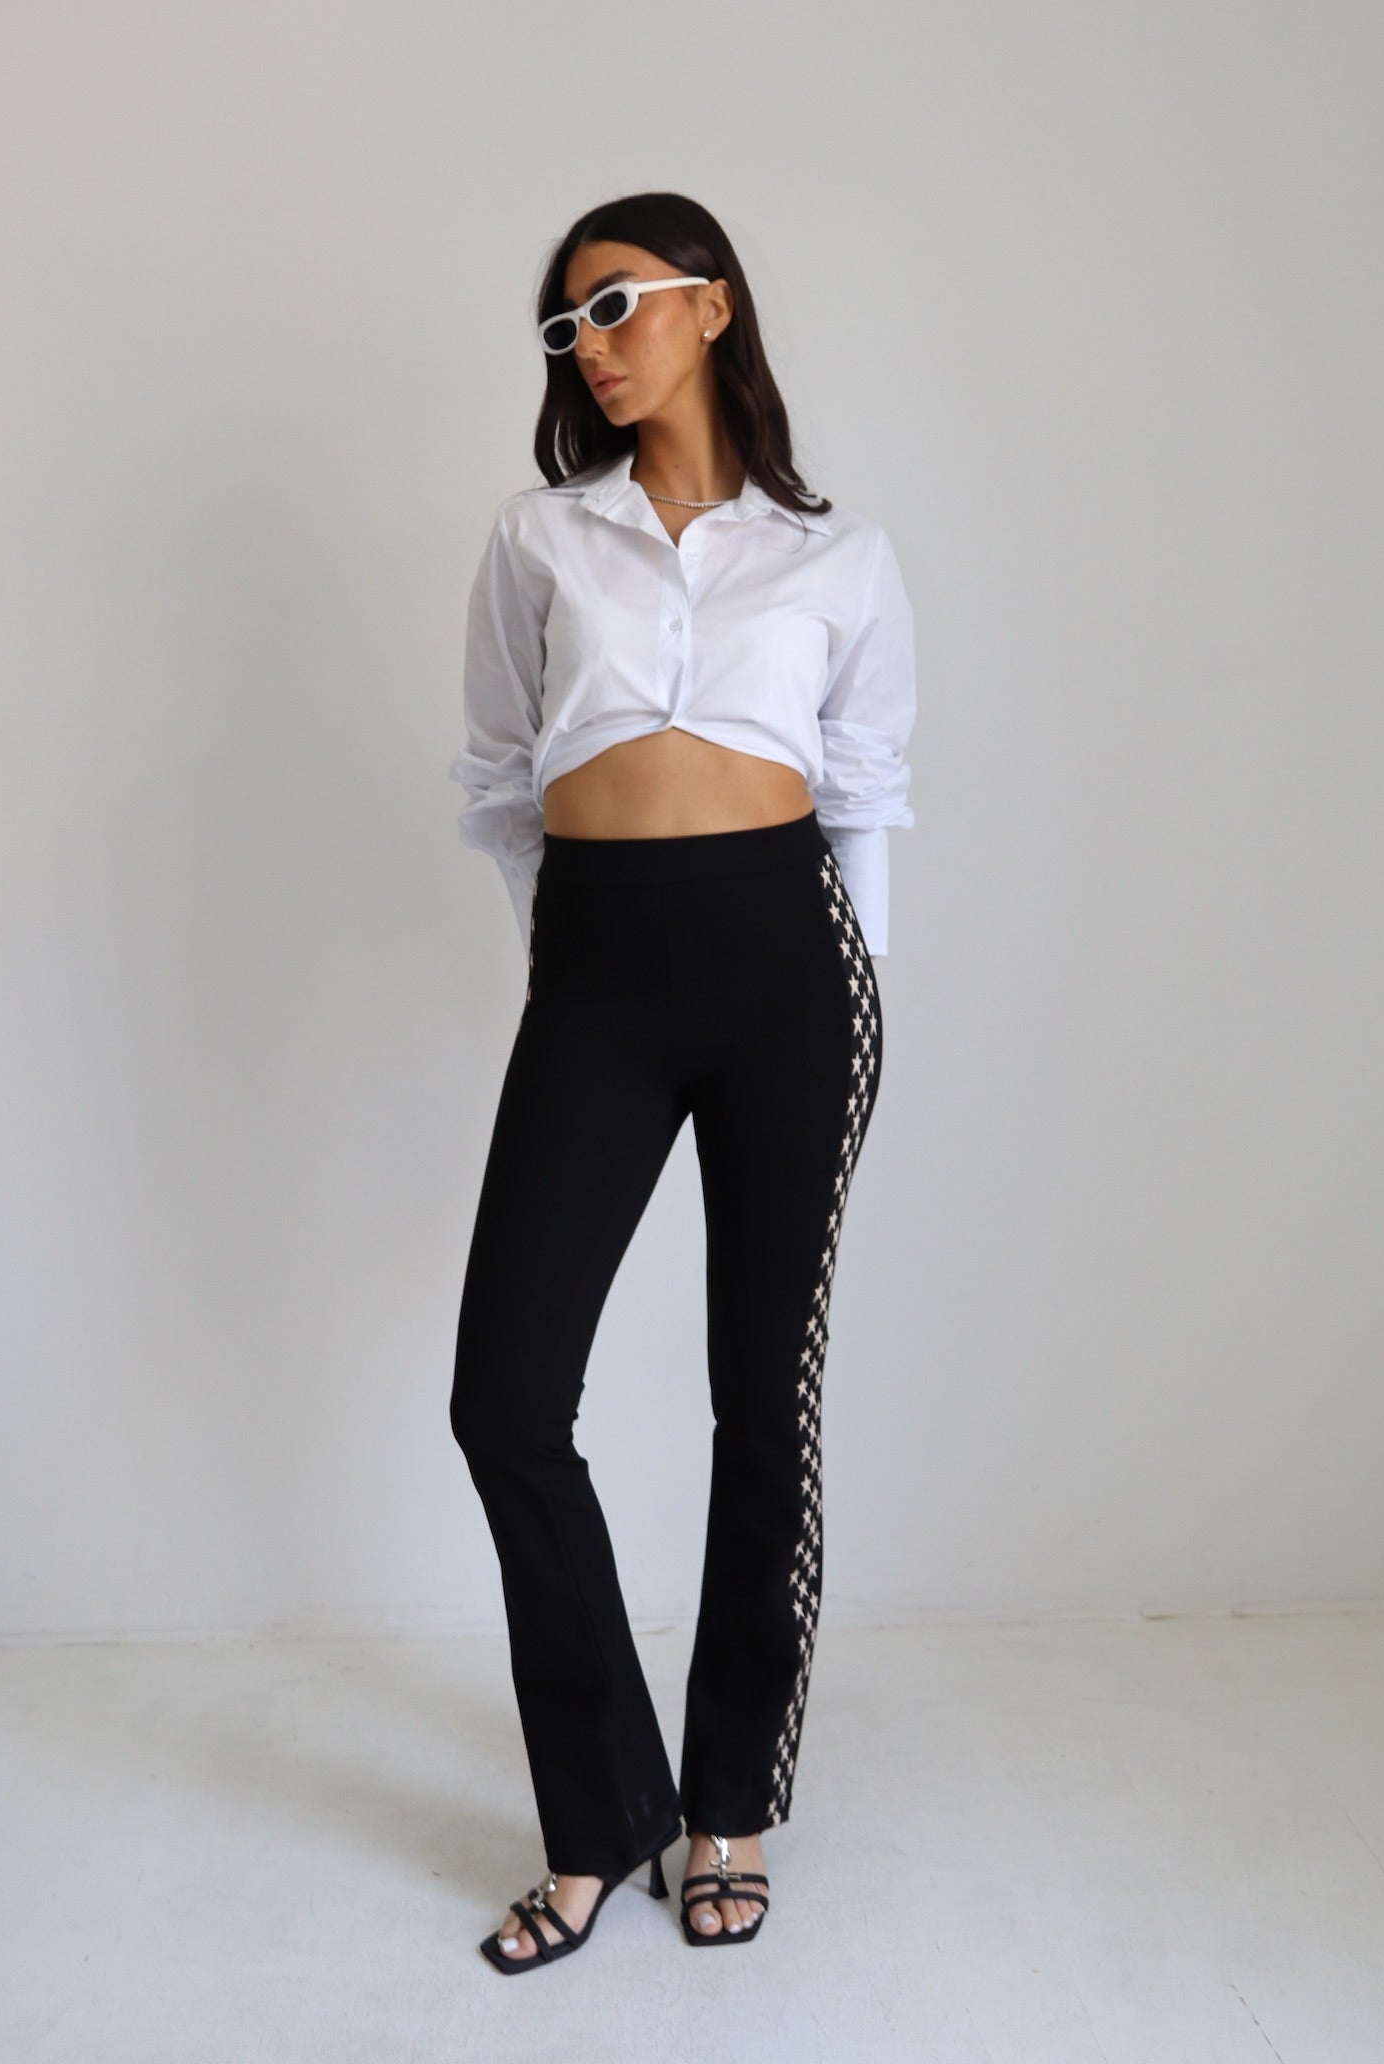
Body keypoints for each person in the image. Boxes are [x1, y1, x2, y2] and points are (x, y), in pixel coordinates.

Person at [448, 191, 916, 1971]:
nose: (591, 343)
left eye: (620, 302)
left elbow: (864, 792)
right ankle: (602, 1815)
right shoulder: (539, 538)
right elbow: (499, 781)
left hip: (793, 973)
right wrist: (571, 971)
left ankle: (730, 1805)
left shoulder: (836, 555)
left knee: (759, 1400)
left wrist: (856, 994)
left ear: (712, 306)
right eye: (565, 323)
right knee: (506, 1397)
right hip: (600, 971)